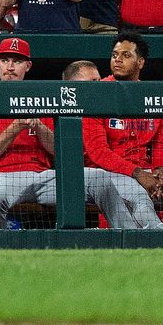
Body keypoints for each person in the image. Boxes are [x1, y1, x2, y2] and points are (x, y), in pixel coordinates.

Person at [0, 38, 60, 229]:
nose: (10, 67)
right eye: (5, 60)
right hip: (2, 176)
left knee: (97, 180)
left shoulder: (42, 98)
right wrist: (16, 126)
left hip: (43, 176)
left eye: (17, 61)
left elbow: (59, 152)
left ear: (28, 66)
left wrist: (38, 126)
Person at [61, 58, 163, 229]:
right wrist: (138, 173)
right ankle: (156, 235)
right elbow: (100, 153)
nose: (99, 86)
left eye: (98, 80)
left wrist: (158, 170)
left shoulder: (104, 102)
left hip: (124, 174)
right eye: (92, 82)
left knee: (137, 198)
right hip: (97, 176)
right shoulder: (77, 112)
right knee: (138, 196)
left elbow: (157, 142)